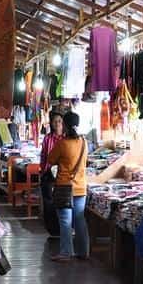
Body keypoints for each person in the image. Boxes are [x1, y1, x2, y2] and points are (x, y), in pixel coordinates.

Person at [46, 112, 88, 262]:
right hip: (81, 187)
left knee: (65, 221)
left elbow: (50, 159)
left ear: (65, 125)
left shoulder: (62, 144)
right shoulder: (84, 141)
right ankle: (83, 251)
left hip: (64, 186)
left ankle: (66, 253)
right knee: (80, 220)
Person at [40, 112, 65, 238]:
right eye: (55, 121)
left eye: (59, 121)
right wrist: (44, 170)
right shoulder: (47, 138)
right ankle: (52, 229)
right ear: (51, 123)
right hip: (48, 173)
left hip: (62, 174)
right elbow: (43, 155)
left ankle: (62, 228)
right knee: (48, 201)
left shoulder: (65, 139)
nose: (57, 124)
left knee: (61, 201)